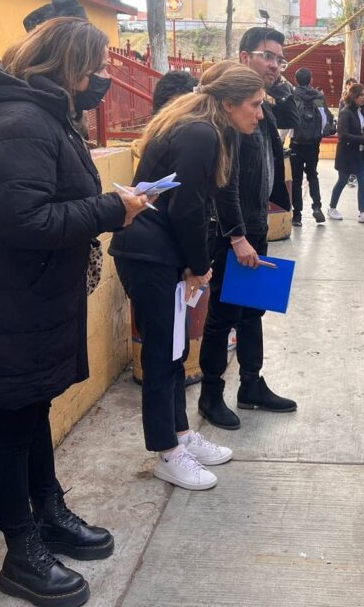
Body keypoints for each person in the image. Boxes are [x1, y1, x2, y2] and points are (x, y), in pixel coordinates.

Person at [0, 18, 151, 607]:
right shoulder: (19, 121)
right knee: (11, 426)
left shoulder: (46, 116)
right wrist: (113, 210)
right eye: (93, 68)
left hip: (30, 296)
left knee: (32, 412)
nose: (101, 80)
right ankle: (21, 551)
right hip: (5, 299)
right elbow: (24, 221)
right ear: (66, 66)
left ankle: (48, 513)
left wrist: (115, 204)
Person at [111, 61, 262, 495]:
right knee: (163, 354)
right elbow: (188, 208)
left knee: (174, 350)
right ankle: (167, 453)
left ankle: (179, 434)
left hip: (162, 254)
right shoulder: (200, 132)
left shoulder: (203, 127)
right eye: (254, 105)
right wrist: (198, 265)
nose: (259, 113)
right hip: (150, 254)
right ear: (229, 103)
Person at [197, 27, 296, 431]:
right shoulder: (230, 116)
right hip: (229, 232)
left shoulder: (262, 109)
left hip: (254, 227)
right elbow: (225, 182)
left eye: (279, 58)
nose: (275, 64)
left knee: (253, 308)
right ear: (243, 58)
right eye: (266, 56)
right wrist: (237, 236)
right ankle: (210, 395)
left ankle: (251, 384)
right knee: (221, 317)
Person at [327, 83, 364, 223]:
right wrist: (363, 139)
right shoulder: (345, 112)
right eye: (361, 95)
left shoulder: (362, 111)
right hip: (347, 154)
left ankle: (363, 212)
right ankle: (332, 207)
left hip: (362, 154)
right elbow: (343, 135)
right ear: (354, 96)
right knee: (342, 181)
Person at [289, 67, 331, 226]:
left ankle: (297, 216)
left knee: (297, 180)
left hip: (297, 144)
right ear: (311, 80)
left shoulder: (293, 96)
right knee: (313, 175)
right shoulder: (319, 96)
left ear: (295, 80)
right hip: (314, 144)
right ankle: (317, 206)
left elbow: (288, 121)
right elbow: (325, 121)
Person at [23, 0, 88, 32]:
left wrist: (37, 37)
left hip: (45, 46)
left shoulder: (47, 8)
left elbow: (28, 21)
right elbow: (84, 29)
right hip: (67, 47)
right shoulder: (78, 10)